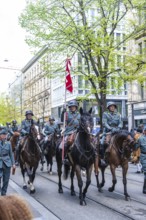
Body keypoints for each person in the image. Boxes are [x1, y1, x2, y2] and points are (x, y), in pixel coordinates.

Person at [0, 129, 15, 196]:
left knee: (6, 180)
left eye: (5, 135)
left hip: (7, 163)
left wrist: (13, 164)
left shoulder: (8, 143)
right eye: (3, 135)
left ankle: (3, 193)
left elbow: (11, 154)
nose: (5, 136)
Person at [135, 126, 146, 194]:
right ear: (144, 131)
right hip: (144, 156)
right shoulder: (140, 139)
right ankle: (144, 188)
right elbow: (135, 147)